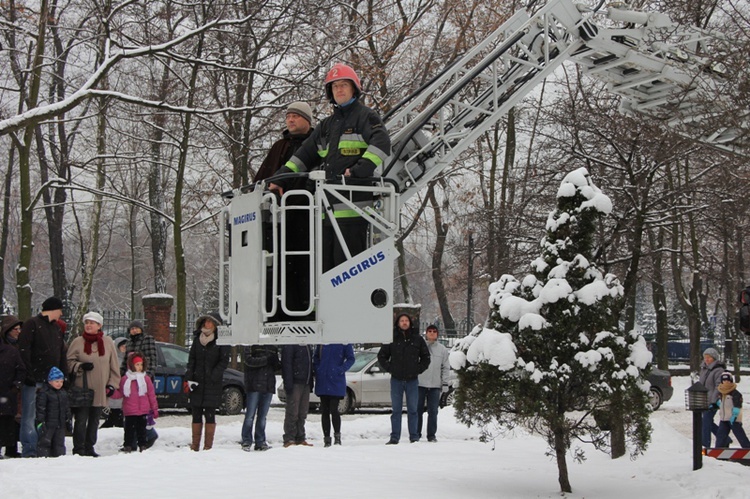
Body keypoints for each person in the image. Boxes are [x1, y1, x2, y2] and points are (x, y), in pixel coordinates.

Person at [271, 63, 391, 272]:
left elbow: (381, 144)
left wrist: (357, 171)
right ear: (330, 92)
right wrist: (279, 179)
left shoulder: (366, 116)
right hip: (326, 211)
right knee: (326, 270)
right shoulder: (325, 126)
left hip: (354, 209)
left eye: (344, 85)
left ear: (354, 88)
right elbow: (302, 157)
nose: (339, 90)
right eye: (335, 87)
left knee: (350, 272)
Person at [256, 102, 315, 320]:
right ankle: (280, 309)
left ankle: (302, 309)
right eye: (288, 116)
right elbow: (263, 178)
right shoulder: (280, 147)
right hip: (278, 218)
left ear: (307, 120)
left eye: (295, 116)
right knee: (279, 264)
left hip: (306, 216)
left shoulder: (317, 144)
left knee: (304, 264)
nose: (290, 120)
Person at [17, 296, 67, 457]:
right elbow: (24, 350)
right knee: (30, 414)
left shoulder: (56, 328)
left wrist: (62, 375)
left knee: (47, 416)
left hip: (51, 380)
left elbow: (61, 353)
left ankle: (44, 446)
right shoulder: (32, 324)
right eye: (60, 310)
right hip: (34, 379)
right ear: (54, 309)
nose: (61, 313)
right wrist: (29, 374)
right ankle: (30, 448)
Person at [66, 311, 120, 457]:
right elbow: (68, 362)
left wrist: (112, 385)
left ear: (99, 326)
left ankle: (90, 447)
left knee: (95, 420)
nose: (89, 325)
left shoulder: (108, 342)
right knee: (81, 419)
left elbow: (114, 366)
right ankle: (79, 448)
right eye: (87, 323)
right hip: (82, 388)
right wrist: (80, 366)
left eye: (92, 323)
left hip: (100, 389)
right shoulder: (77, 342)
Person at [378, 314, 430, 445]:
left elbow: (426, 357)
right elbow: (382, 356)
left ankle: (414, 436)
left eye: (406, 321)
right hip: (396, 379)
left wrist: (417, 369)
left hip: (412, 380)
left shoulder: (417, 339)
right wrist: (391, 368)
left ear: (410, 323)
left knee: (413, 410)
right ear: (398, 323)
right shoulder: (391, 338)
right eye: (402, 321)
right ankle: (394, 437)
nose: (404, 323)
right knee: (396, 410)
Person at [186, 313, 229, 451]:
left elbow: (223, 361)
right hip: (197, 382)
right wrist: (190, 376)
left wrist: (214, 375)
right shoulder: (197, 339)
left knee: (210, 413)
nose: (208, 324)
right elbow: (192, 359)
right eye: (206, 322)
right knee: (196, 413)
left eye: (211, 322)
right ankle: (195, 445)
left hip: (212, 383)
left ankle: (208, 446)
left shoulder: (221, 340)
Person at [111, 352, 159, 452]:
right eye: (137, 365)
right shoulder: (125, 379)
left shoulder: (146, 379)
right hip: (130, 410)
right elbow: (120, 393)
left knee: (142, 430)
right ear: (131, 365)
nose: (140, 367)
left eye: (141, 364)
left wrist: (154, 408)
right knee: (129, 430)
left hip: (143, 410)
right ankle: (128, 445)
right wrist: (110, 393)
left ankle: (142, 445)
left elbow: (151, 395)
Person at [240, 345, 280, 452]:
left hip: (268, 384)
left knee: (262, 416)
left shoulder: (272, 346)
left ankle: (260, 440)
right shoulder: (250, 343)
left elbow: (275, 367)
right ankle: (247, 440)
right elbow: (248, 361)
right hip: (254, 384)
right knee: (250, 415)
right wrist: (266, 360)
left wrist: (277, 363)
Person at [314, 344, 355, 447]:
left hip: (336, 380)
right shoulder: (322, 341)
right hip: (323, 380)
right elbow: (316, 357)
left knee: (334, 409)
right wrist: (319, 368)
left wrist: (340, 369)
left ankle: (337, 437)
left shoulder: (343, 341)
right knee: (325, 410)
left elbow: (351, 358)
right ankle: (326, 439)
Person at [417, 324, 451, 442]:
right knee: (417, 410)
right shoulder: (420, 347)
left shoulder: (442, 349)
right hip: (420, 384)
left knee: (433, 411)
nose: (432, 333)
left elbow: (445, 367)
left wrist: (445, 383)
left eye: (434, 331)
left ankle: (431, 435)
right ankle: (416, 433)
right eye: (429, 331)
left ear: (437, 334)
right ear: (426, 333)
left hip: (435, 385)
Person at [0, 316, 25, 458]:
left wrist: (16, 385)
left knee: (10, 421)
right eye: (15, 329)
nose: (18, 332)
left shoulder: (13, 350)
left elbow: (21, 369)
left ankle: (11, 448)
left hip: (8, 391)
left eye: (19, 329)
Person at [281, 344, 314, 447]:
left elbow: (310, 364)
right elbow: (286, 363)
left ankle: (300, 437)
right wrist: (288, 383)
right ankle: (289, 438)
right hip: (295, 381)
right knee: (293, 411)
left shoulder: (308, 344)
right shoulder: (291, 343)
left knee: (302, 412)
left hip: (306, 381)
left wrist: (310, 381)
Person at [34, 366, 71, 458]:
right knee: (45, 443)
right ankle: (43, 458)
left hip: (60, 424)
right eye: (57, 381)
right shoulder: (44, 393)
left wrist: (68, 420)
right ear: (50, 381)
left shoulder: (63, 393)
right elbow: (41, 409)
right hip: (48, 424)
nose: (59, 384)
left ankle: (59, 459)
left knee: (59, 444)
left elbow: (66, 408)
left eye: (61, 381)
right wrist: (40, 422)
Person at [699, 347, 726, 447]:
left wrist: (714, 401)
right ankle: (725, 438)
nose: (706, 359)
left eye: (709, 357)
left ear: (714, 358)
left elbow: (718, 386)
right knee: (707, 422)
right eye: (705, 357)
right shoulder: (704, 369)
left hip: (713, 401)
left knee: (706, 423)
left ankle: (705, 444)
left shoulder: (718, 370)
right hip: (704, 400)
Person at [716, 372, 750, 448]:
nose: (726, 382)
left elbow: (737, 405)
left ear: (731, 381)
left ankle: (747, 448)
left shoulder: (735, 393)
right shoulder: (721, 393)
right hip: (724, 419)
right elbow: (721, 403)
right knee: (720, 436)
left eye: (728, 381)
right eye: (724, 381)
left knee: (740, 435)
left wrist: (734, 415)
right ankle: (717, 451)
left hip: (733, 419)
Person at [101, 337, 128, 429]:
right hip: (115, 389)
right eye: (122, 346)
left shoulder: (128, 359)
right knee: (115, 415)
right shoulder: (113, 359)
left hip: (124, 390)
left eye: (126, 346)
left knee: (116, 416)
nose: (124, 348)